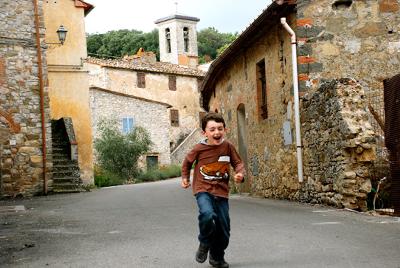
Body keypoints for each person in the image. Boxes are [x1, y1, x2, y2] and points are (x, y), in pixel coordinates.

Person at [181, 112, 245, 268]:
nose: (216, 132)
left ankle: (216, 257)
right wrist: (185, 177)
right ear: (204, 132)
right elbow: (187, 162)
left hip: (221, 192)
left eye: (220, 128)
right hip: (203, 189)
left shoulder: (228, 146)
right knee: (207, 214)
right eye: (212, 129)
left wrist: (240, 174)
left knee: (224, 230)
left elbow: (238, 163)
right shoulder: (199, 148)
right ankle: (204, 243)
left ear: (225, 129)